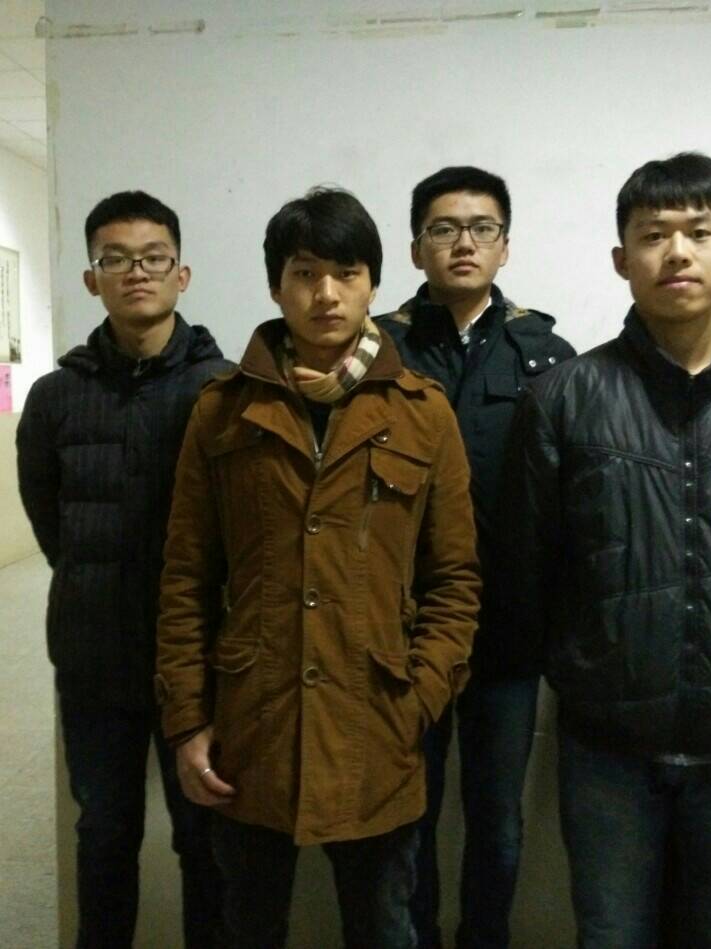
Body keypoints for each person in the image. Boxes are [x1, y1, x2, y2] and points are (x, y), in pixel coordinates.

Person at [503, 152, 711, 948]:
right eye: (653, 235)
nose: (677, 252)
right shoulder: (562, 398)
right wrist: (589, 663)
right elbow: (529, 563)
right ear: (621, 259)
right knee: (611, 935)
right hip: (607, 743)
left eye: (698, 231)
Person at [155, 186, 481, 949]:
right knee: (248, 927)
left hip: (377, 728)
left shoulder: (422, 412)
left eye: (345, 272)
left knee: (384, 928)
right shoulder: (221, 411)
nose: (326, 293)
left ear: (373, 283)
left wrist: (418, 700)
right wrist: (188, 720)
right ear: (276, 286)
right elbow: (185, 577)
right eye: (304, 273)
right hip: (250, 727)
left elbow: (454, 579)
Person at [16, 191, 228, 948]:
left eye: (153, 257)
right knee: (104, 833)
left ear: (181, 273)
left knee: (206, 837)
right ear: (91, 278)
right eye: (116, 258)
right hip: (94, 655)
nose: (136, 272)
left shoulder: (223, 390)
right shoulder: (54, 397)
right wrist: (91, 579)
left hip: (201, 661)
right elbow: (49, 517)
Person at [377, 165, 575, 949]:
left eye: (481, 227)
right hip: (400, 631)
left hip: (507, 632)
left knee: (497, 821)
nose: (463, 242)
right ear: (416, 248)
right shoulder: (376, 347)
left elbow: (570, 504)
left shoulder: (546, 355)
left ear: (504, 245)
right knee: (406, 813)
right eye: (443, 228)